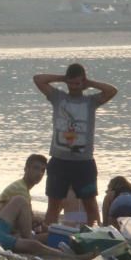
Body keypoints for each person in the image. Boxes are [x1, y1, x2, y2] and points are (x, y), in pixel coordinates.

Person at [33, 63, 118, 227]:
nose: (73, 87)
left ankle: (95, 235)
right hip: (59, 161)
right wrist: (61, 78)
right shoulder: (58, 97)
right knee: (54, 206)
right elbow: (38, 80)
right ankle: (49, 235)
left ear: (82, 83)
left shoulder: (91, 101)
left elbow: (112, 91)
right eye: (70, 83)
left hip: (83, 163)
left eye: (77, 84)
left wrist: (90, 83)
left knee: (90, 205)